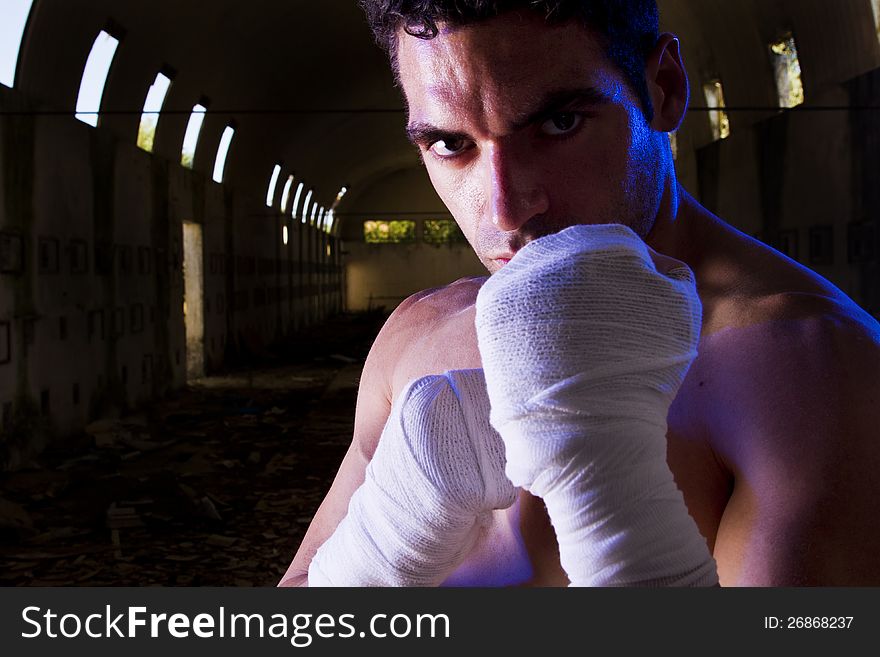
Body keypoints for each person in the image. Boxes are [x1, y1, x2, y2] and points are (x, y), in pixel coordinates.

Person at [279, 0, 880, 587]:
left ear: (664, 87)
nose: (506, 209)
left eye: (558, 123)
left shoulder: (815, 370)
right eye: (450, 144)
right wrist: (387, 536)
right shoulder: (417, 337)